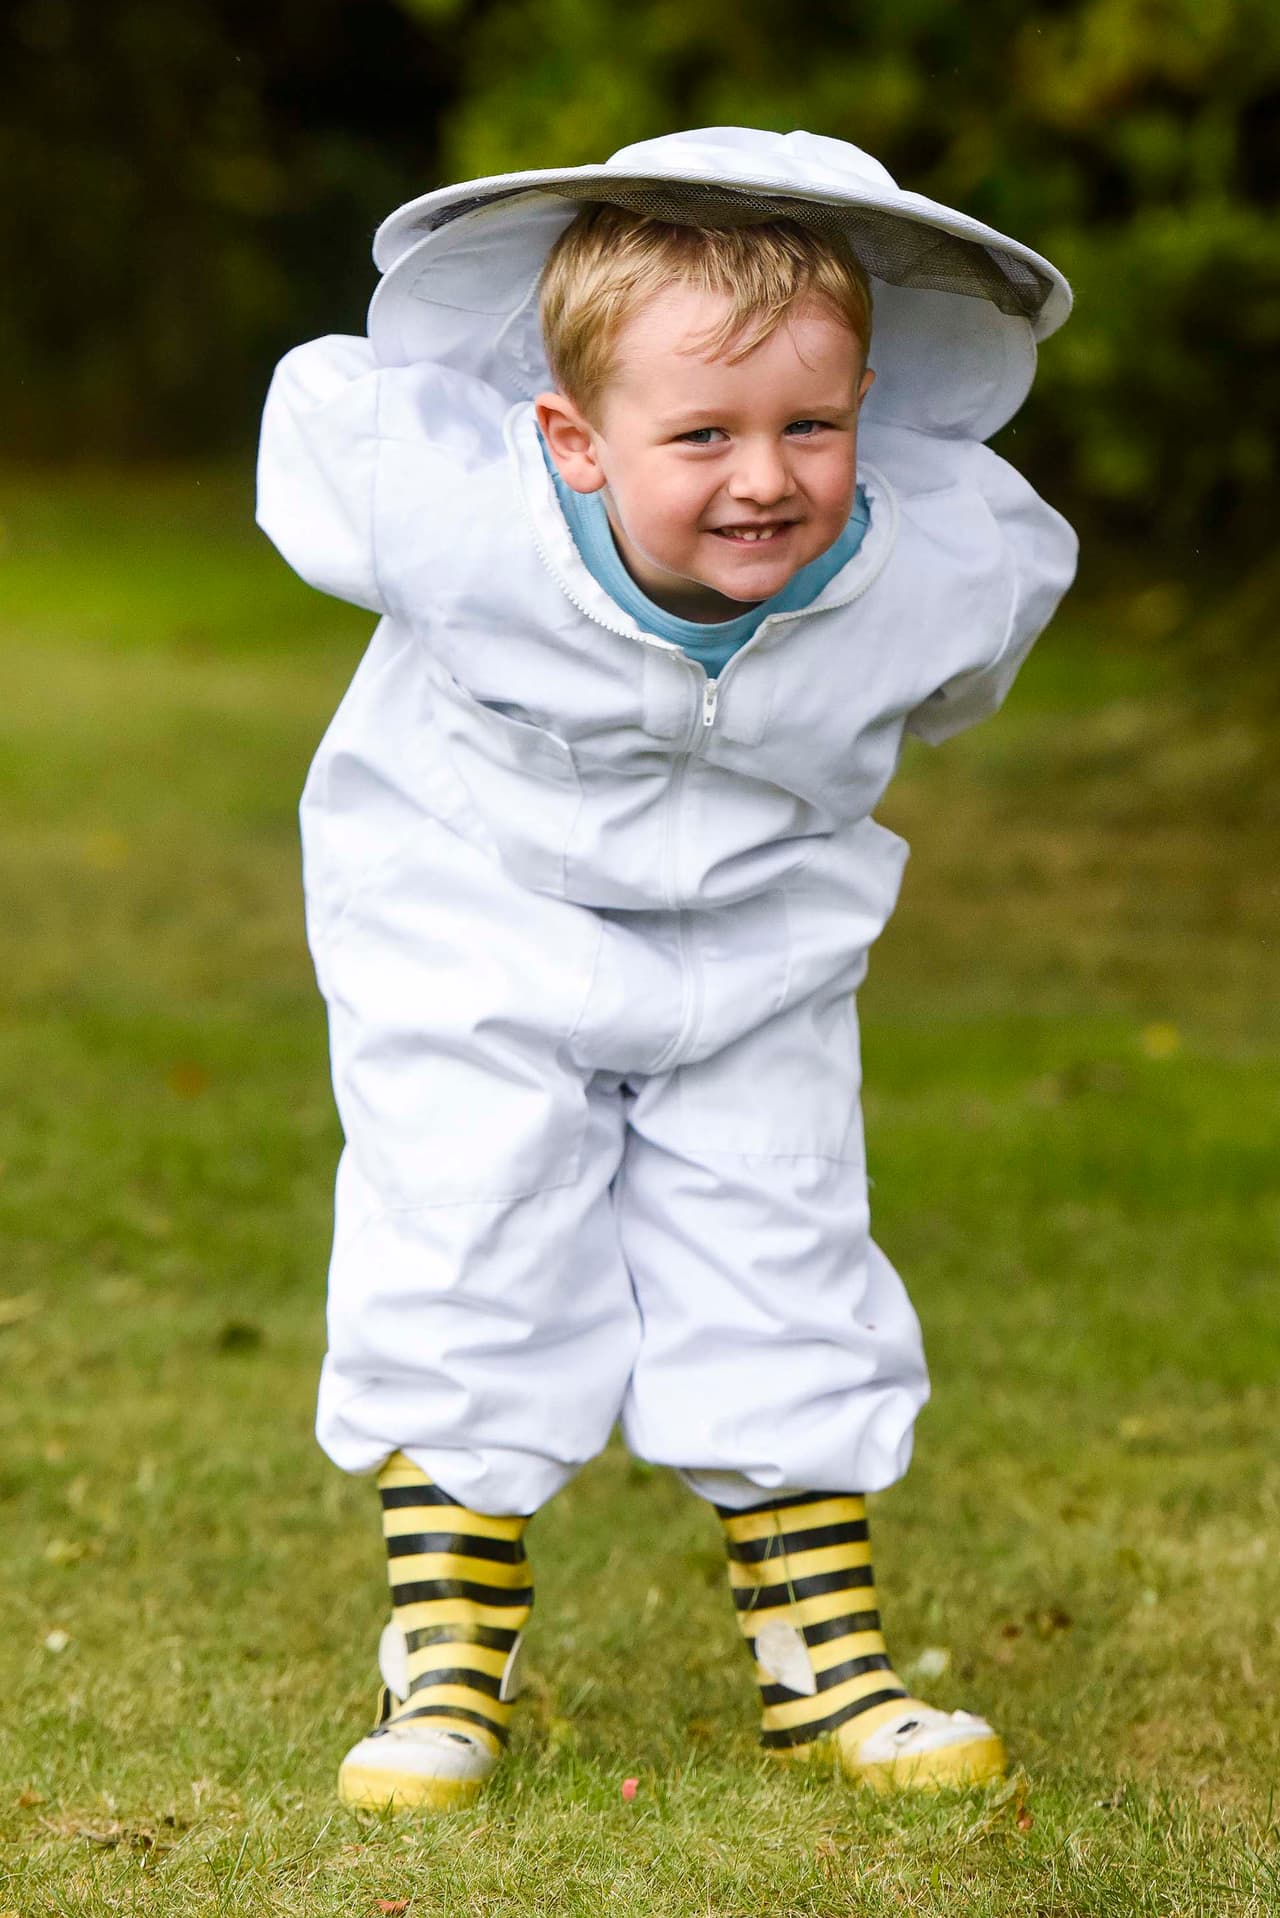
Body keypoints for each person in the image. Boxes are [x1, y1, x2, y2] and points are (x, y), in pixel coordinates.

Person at [257, 126, 1077, 1811]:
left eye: (810, 426)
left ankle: (825, 1663)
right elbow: (319, 439)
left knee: (783, 1246)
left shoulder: (943, 567)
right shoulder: (456, 520)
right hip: (469, 925)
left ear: (866, 412)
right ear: (571, 437)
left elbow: (956, 670)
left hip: (757, 952)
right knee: (468, 1233)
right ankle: (446, 1657)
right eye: (701, 433)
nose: (763, 477)